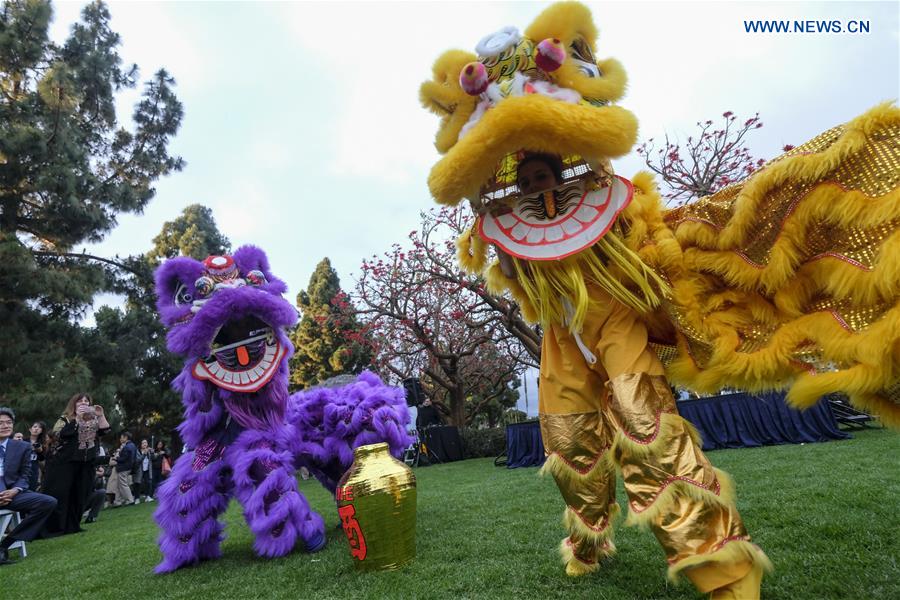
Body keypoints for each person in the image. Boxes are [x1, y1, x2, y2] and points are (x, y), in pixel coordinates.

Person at [41, 393, 109, 535]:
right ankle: (56, 528)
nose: (84, 403)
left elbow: (105, 430)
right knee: (62, 495)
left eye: (86, 401)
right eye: (80, 401)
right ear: (74, 404)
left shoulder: (93, 420)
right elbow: (60, 435)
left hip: (86, 464)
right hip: (64, 464)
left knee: (80, 494)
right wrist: (77, 418)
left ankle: (73, 526)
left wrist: (101, 415)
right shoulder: (64, 419)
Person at [0, 406, 57, 565]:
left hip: (12, 494)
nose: (5, 426)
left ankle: (4, 546)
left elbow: (25, 475)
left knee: (48, 502)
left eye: (8, 422)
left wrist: (15, 490)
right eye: (0, 423)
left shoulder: (22, 447)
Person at [109, 432, 136, 507]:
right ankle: (117, 502)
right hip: (127, 467)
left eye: (121, 437)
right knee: (118, 485)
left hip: (123, 468)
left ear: (126, 437)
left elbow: (124, 459)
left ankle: (130, 500)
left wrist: (116, 458)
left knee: (123, 484)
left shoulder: (127, 447)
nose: (120, 439)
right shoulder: (133, 445)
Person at [27, 421, 47, 492]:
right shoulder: (24, 441)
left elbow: (42, 459)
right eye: (35, 427)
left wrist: (40, 451)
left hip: (34, 470)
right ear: (30, 429)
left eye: (39, 427)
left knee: (31, 490)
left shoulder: (42, 443)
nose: (36, 429)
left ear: (42, 431)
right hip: (22, 470)